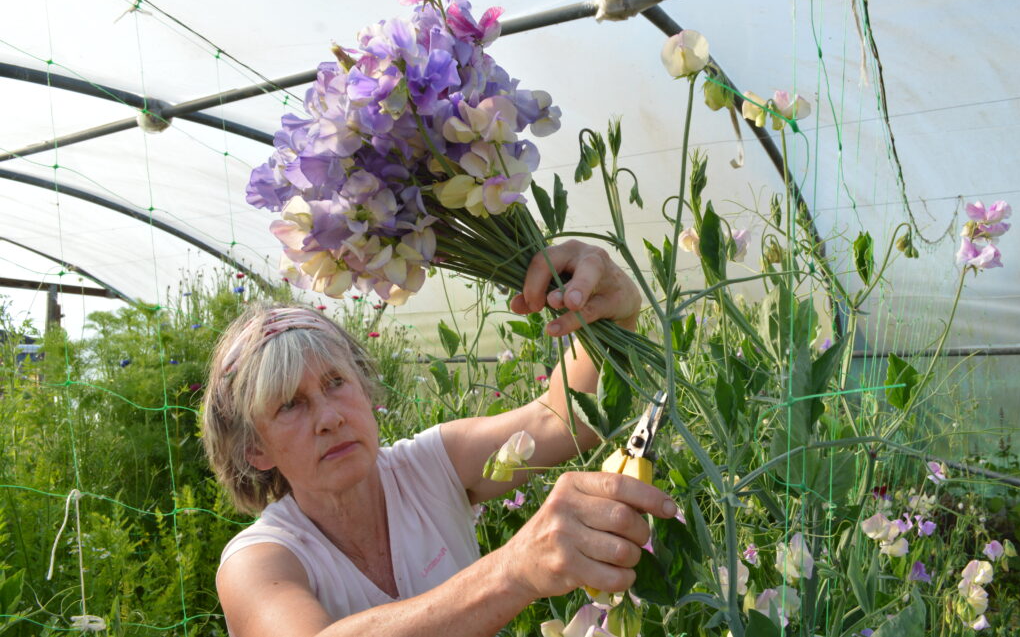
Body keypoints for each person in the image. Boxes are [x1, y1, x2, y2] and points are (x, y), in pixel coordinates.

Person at [202, 241, 678, 637]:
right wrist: (514, 569)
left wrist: (605, 313)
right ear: (254, 449)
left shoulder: (427, 467)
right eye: (290, 404)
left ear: (364, 388)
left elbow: (564, 421)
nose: (328, 417)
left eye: (335, 383)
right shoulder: (259, 561)